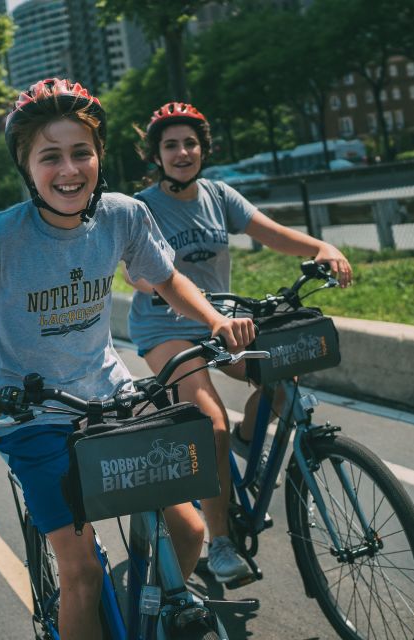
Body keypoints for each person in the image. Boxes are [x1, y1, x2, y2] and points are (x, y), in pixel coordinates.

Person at [0, 79, 254, 640]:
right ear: (27, 167)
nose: (69, 169)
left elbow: (167, 279)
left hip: (110, 394)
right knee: (82, 573)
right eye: (51, 157)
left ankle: (149, 613)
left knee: (191, 531)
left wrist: (214, 320)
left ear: (99, 157)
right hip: (32, 415)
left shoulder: (122, 215)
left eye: (82, 153)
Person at [125, 101, 354, 584]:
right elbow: (135, 272)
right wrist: (161, 285)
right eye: (171, 145)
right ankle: (221, 540)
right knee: (209, 424)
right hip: (164, 328)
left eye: (190, 143)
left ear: (203, 149)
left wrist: (320, 247)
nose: (182, 152)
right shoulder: (143, 207)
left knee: (281, 381)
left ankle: (250, 439)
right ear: (156, 155)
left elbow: (271, 233)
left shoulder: (218, 196)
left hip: (222, 320)